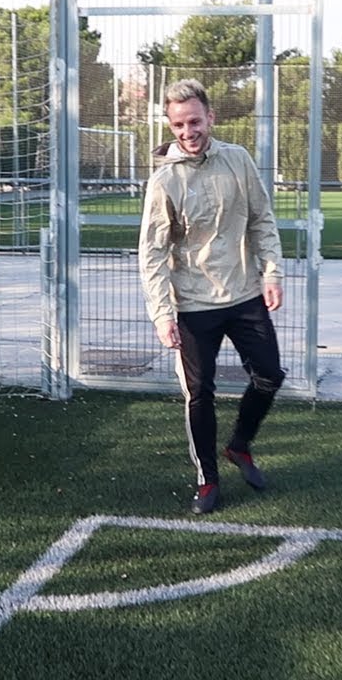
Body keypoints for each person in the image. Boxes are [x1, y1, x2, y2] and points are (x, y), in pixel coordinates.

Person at [138, 78, 286, 515]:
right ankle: (208, 480)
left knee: (270, 375)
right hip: (192, 304)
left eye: (195, 121)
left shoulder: (237, 160)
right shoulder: (164, 180)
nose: (188, 132)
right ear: (170, 125)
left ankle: (239, 446)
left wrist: (272, 272)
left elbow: (262, 220)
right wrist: (163, 314)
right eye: (179, 124)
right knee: (199, 394)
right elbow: (152, 252)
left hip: (243, 294)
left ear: (211, 118)